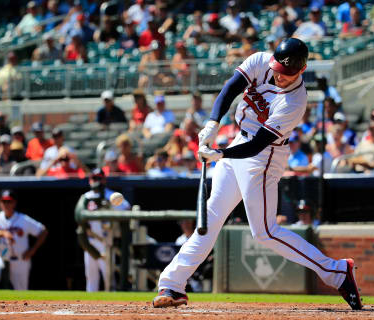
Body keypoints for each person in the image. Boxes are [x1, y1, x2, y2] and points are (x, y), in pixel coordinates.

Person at [152, 38, 362, 310]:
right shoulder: (260, 61)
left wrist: (221, 154)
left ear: (302, 70)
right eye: (277, 69)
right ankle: (173, 284)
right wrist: (213, 123)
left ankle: (337, 272)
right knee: (211, 217)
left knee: (265, 232)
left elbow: (259, 144)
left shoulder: (295, 101)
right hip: (239, 141)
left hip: (264, 156)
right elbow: (230, 88)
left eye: (286, 73)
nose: (279, 75)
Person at [0, 190, 48, 290]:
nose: (6, 204)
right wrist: (3, 233)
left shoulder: (23, 219)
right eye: (4, 201)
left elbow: (43, 231)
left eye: (9, 201)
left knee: (21, 290)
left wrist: (32, 250)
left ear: (14, 203)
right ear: (0, 203)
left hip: (20, 259)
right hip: (2, 257)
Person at [79, 169, 131, 291]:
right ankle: (89, 306)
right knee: (91, 277)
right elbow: (79, 216)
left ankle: (111, 304)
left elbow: (127, 208)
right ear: (90, 180)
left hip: (106, 240)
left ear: (104, 179)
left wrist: (110, 206)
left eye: (99, 178)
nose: (97, 181)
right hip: (90, 240)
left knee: (108, 277)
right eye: (94, 178)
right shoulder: (86, 197)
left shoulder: (111, 195)